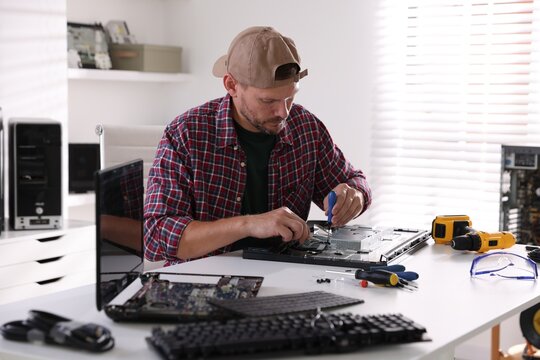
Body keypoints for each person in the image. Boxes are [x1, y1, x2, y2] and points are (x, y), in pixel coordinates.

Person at [144, 26, 372, 265]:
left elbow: (355, 180)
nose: (283, 112)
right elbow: (157, 237)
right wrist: (250, 224)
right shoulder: (186, 134)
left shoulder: (307, 128)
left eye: (290, 98)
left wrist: (354, 195)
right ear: (231, 85)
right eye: (268, 100)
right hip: (203, 284)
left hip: (286, 277)